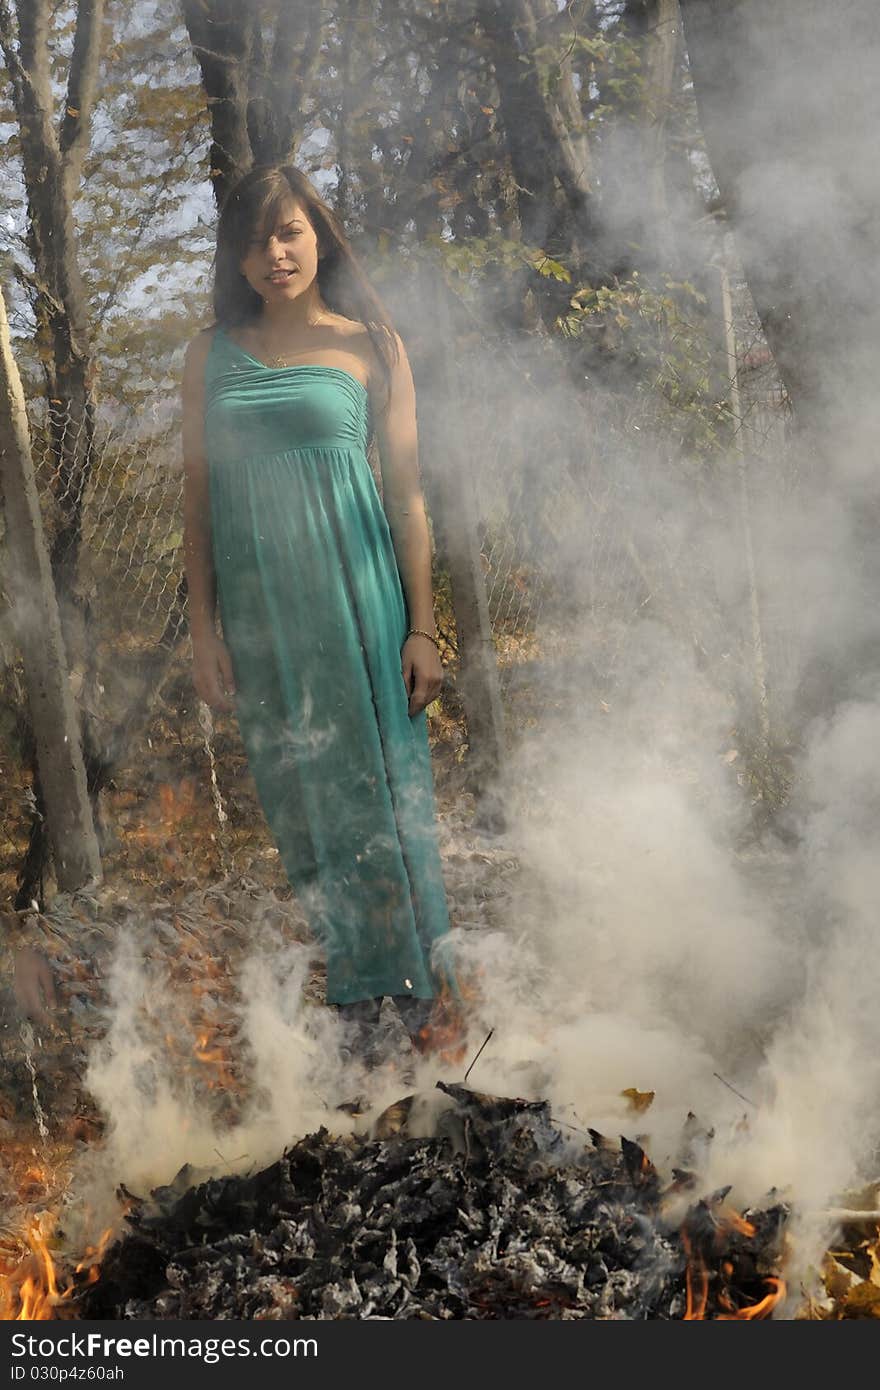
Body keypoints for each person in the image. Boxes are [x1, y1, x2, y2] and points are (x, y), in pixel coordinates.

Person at [181, 164, 461, 1068]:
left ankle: (420, 1004)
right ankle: (356, 994)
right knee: (302, 798)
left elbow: (409, 498)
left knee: (382, 788)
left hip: (361, 600)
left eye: (291, 232)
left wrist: (423, 626)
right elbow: (196, 499)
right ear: (238, 255)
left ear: (319, 237)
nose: (275, 253)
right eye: (257, 239)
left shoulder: (372, 344)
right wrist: (203, 627)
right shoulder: (208, 353)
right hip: (267, 616)